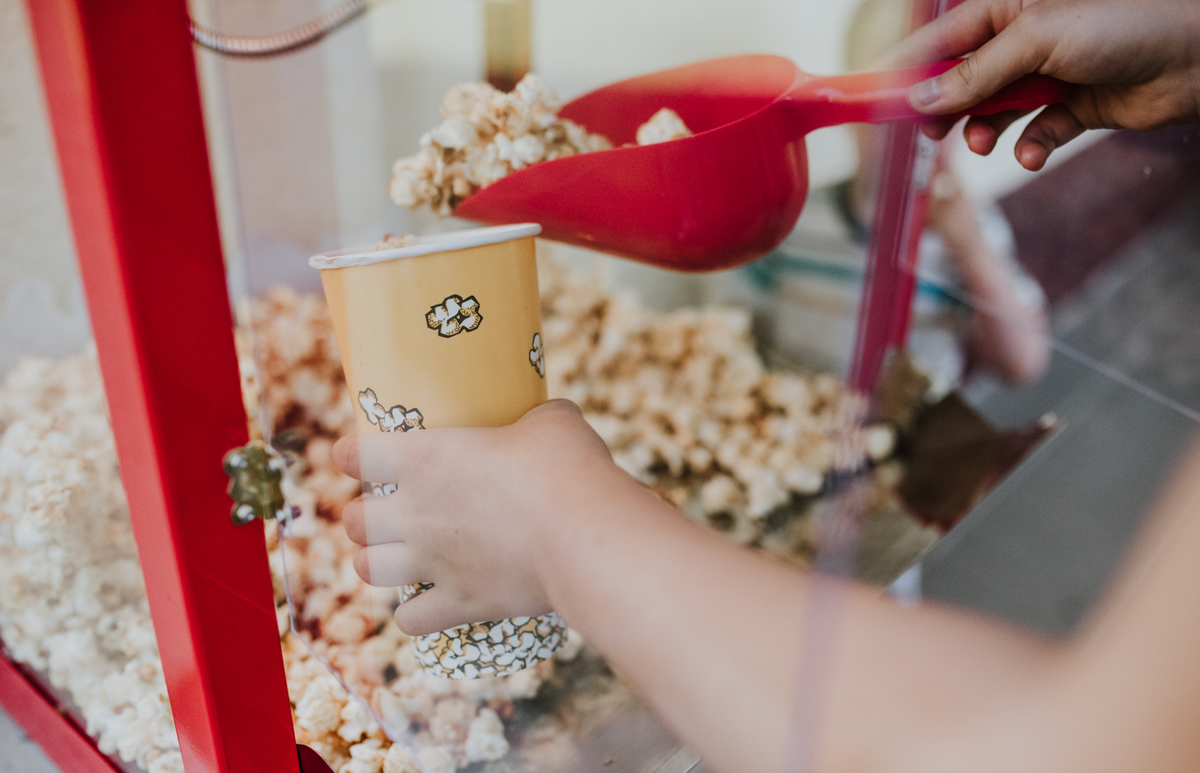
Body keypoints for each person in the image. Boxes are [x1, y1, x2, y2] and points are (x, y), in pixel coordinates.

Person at [337, 1, 1200, 771]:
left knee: (865, 613)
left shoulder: (955, 240)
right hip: (794, 504)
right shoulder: (809, 217)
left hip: (885, 485)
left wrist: (552, 520)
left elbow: (1068, 746)